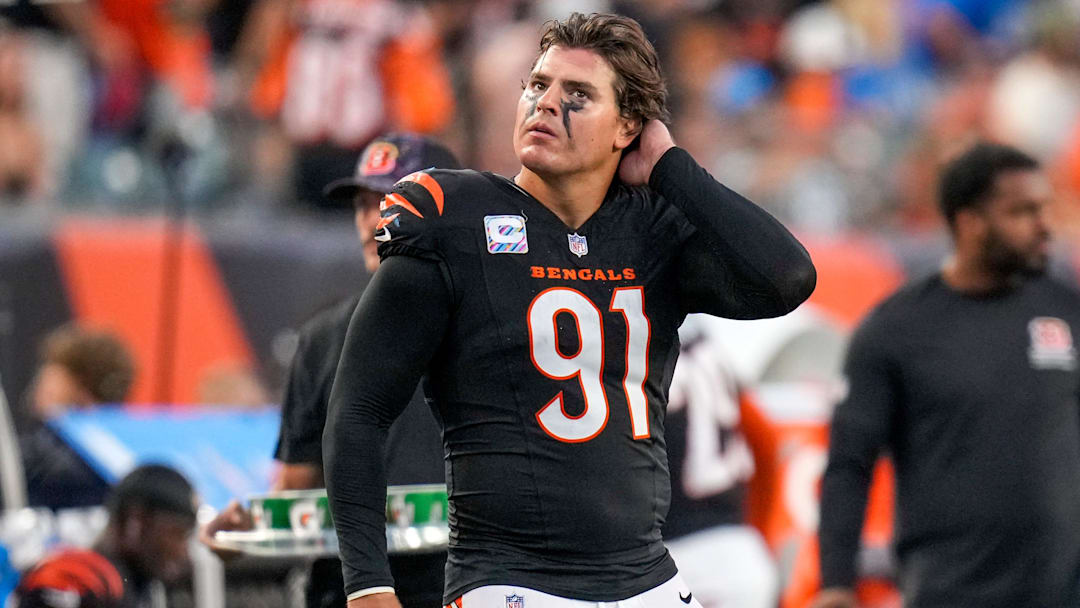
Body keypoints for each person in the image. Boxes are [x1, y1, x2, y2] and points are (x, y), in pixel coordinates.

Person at [323, 12, 816, 608]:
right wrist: (368, 582)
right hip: (510, 578)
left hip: (648, 577)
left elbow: (787, 277)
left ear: (627, 126)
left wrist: (670, 167)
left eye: (577, 95)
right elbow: (359, 410)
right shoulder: (456, 216)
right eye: (538, 85)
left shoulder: (650, 232)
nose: (546, 104)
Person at [813, 142, 1080, 608]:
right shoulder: (895, 329)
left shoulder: (1065, 307)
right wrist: (836, 582)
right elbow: (849, 465)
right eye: (1023, 212)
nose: (1044, 227)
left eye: (1044, 209)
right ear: (970, 222)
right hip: (953, 591)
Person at [200, 133, 458, 608]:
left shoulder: (496, 322)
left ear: (448, 208)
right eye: (362, 203)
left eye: (388, 200)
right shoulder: (321, 340)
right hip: (354, 589)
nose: (369, 218)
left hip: (475, 583)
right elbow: (297, 491)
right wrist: (247, 528)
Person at [662, 316, 778, 608]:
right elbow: (765, 439)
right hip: (741, 554)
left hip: (670, 558)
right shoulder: (711, 347)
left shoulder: (646, 351)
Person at [14, 464, 198, 608]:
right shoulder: (81, 577)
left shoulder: (134, 587)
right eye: (178, 534)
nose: (184, 552)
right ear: (135, 522)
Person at [20, 325, 136, 510]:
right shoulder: (126, 452)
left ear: (83, 389)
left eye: (53, 377)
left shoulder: (57, 459)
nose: (41, 384)